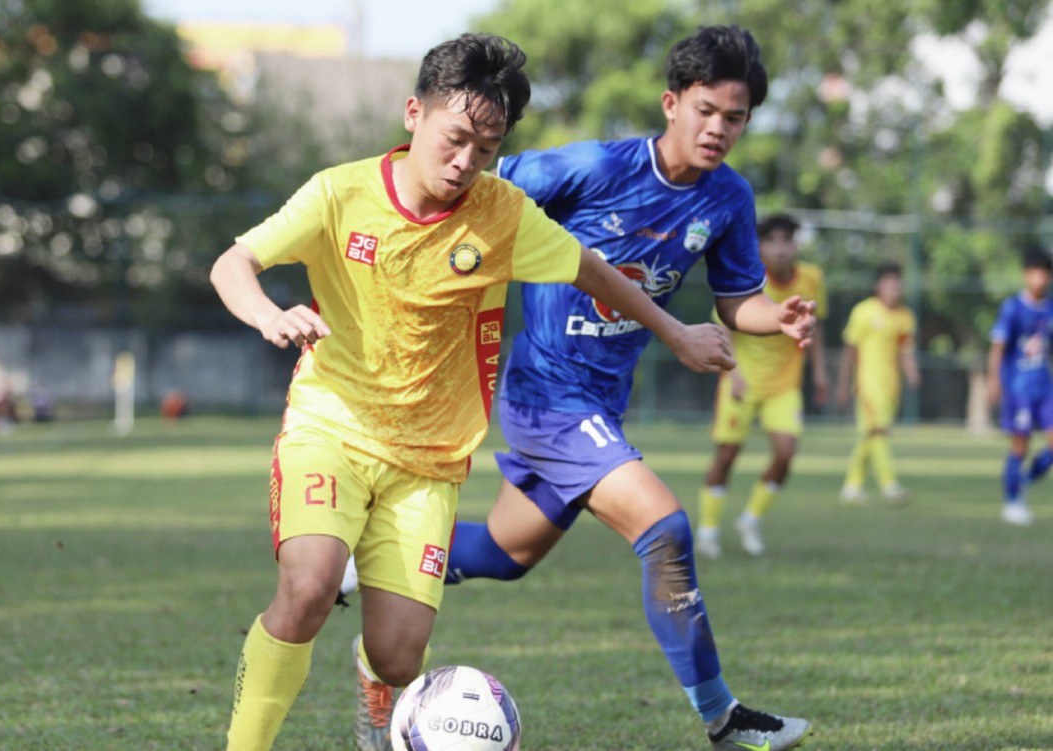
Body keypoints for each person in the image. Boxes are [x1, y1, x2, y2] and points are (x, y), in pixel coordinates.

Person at [209, 33, 758, 751]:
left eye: (487, 148)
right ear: (414, 113)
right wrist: (268, 314)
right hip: (331, 428)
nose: (465, 162)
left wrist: (676, 332)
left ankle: (376, 692)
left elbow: (591, 269)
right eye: (456, 139)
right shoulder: (339, 193)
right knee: (309, 586)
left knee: (399, 656)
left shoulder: (501, 213)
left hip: (430, 461)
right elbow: (234, 262)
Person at [344, 25, 815, 751]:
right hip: (547, 395)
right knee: (666, 529)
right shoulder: (592, 168)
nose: (719, 129)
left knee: (505, 554)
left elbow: (736, 300)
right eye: (706, 111)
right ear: (672, 103)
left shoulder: (728, 199)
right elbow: (474, 188)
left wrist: (772, 316)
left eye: (736, 117)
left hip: (598, 406)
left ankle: (364, 558)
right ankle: (725, 719)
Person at [697, 212, 829, 558]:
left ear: (797, 245)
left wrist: (819, 372)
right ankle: (708, 530)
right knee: (727, 456)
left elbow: (815, 325)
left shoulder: (812, 278)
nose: (781, 248)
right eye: (772, 241)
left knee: (786, 453)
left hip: (784, 385)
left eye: (788, 240)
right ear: (759, 247)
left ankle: (751, 519)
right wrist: (733, 374)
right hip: (742, 379)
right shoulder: (747, 278)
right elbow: (724, 325)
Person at [835, 262, 921, 503]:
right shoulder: (863, 311)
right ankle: (889, 484)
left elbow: (905, 349)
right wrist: (843, 384)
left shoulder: (905, 316)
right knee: (877, 432)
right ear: (878, 285)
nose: (895, 287)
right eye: (890, 282)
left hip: (891, 386)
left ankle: (852, 486)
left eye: (898, 282)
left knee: (870, 435)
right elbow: (850, 350)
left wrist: (912, 372)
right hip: (867, 384)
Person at [986, 245, 1053, 526]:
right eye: (1034, 272)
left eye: (1044, 273)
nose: (1040, 278)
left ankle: (1023, 480)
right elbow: (998, 347)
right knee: (1020, 446)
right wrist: (993, 381)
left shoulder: (1050, 309)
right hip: (1018, 389)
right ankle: (1012, 502)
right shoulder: (1012, 307)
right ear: (1026, 274)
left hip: (1045, 388)